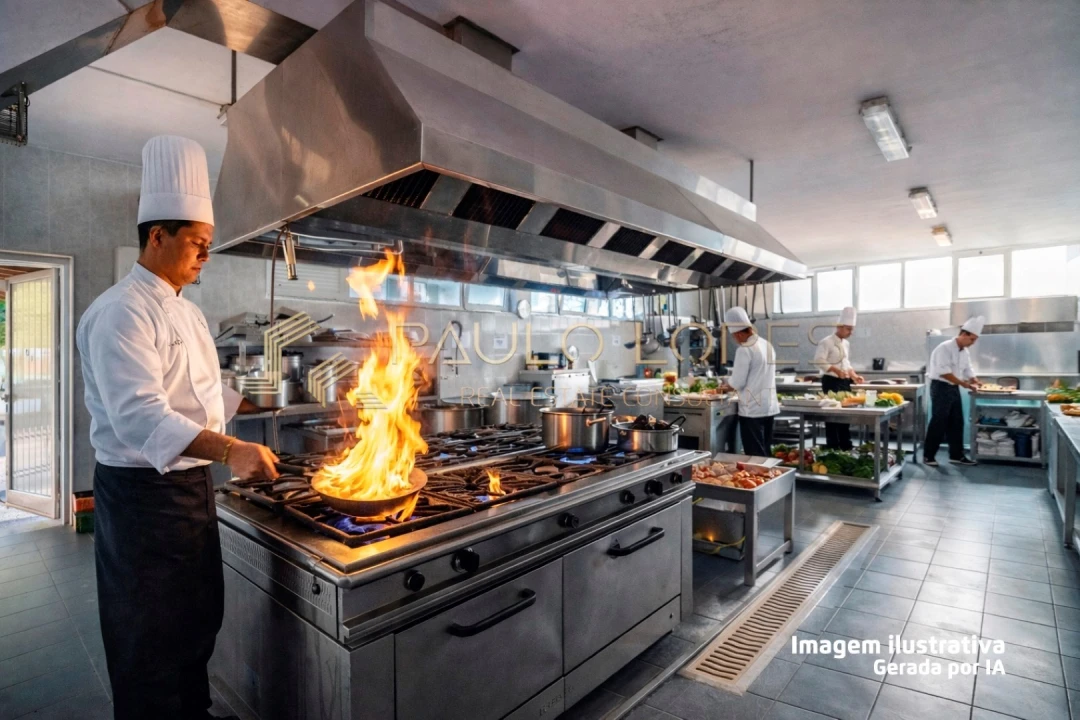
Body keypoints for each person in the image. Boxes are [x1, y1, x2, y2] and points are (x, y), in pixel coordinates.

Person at [77, 136, 280, 720]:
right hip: (143, 499)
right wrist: (232, 450)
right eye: (196, 244)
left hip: (190, 493)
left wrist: (277, 405)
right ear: (157, 235)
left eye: (208, 247)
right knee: (148, 641)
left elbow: (202, 396)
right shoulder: (119, 312)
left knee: (194, 625)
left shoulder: (188, 310)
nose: (203, 257)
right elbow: (141, 415)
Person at [923, 316, 984, 467]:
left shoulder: (964, 351)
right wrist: (964, 383)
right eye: (972, 339)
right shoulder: (944, 348)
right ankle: (928, 455)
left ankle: (956, 455)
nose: (973, 343)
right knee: (939, 421)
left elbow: (968, 368)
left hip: (953, 387)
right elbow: (944, 372)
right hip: (941, 386)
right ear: (963, 334)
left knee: (957, 421)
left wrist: (974, 380)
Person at [720, 307, 780, 457]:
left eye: (734, 336)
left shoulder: (744, 349)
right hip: (769, 406)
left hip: (752, 410)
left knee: (755, 455)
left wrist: (724, 387)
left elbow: (738, 382)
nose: (735, 340)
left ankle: (760, 479)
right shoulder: (767, 344)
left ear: (740, 333)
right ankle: (770, 479)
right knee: (765, 450)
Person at [813, 306, 864, 450]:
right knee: (832, 416)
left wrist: (854, 376)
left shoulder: (846, 344)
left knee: (845, 415)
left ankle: (846, 445)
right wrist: (836, 370)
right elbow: (819, 360)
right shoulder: (826, 342)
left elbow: (846, 363)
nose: (851, 332)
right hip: (831, 382)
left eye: (852, 329)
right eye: (848, 329)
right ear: (839, 327)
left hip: (844, 383)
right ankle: (833, 447)